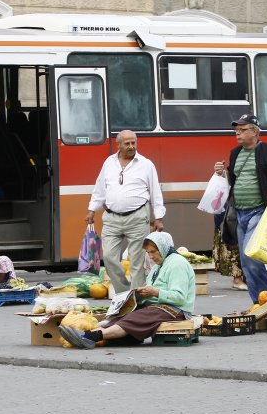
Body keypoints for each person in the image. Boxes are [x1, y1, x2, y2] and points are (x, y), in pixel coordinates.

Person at [58, 231, 194, 349]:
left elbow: (179, 297)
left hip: (175, 310)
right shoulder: (157, 266)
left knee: (136, 318)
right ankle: (85, 335)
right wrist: (137, 296)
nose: (151, 257)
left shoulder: (177, 263)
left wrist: (154, 292)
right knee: (123, 314)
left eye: (153, 252)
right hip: (158, 305)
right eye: (148, 253)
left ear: (164, 248)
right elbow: (153, 291)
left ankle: (91, 336)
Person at [213, 115, 267, 304]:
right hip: (239, 213)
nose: (237, 133)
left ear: (254, 131)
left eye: (242, 129)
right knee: (247, 264)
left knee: (250, 257)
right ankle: (262, 302)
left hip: (260, 211)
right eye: (236, 130)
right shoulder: (235, 153)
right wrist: (220, 172)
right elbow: (232, 180)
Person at [86, 130, 165, 293]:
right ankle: (124, 293)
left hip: (137, 218)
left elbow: (155, 192)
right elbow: (100, 188)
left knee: (137, 263)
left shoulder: (146, 164)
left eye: (133, 143)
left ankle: (135, 300)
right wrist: (92, 209)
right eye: (127, 143)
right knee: (108, 258)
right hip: (111, 218)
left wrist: (158, 217)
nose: (131, 146)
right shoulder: (109, 162)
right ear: (118, 145)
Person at [212, 211, 246, 290]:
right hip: (229, 213)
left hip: (227, 211)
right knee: (233, 243)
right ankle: (237, 279)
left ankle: (240, 278)